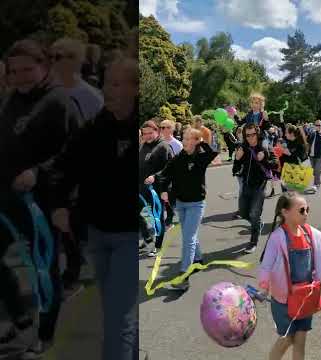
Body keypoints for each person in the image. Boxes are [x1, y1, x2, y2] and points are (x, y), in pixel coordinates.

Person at [49, 58, 139, 360]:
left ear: (135, 88)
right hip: (97, 234)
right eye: (105, 83)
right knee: (115, 311)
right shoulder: (96, 126)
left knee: (118, 318)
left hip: (129, 236)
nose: (107, 90)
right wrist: (60, 204)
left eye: (115, 84)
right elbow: (64, 166)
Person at [0, 39, 82, 358]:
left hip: (47, 202)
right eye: (14, 71)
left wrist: (38, 172)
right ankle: (19, 317)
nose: (20, 77)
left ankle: (44, 335)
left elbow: (76, 153)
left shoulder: (59, 102)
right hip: (8, 199)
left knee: (45, 269)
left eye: (27, 70)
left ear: (44, 67)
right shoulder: (9, 102)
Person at [258, 192, 321, 360]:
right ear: (285, 212)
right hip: (285, 301)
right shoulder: (277, 238)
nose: (306, 214)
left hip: (306, 298)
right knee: (287, 339)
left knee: (301, 340)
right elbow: (266, 266)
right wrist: (264, 288)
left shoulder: (312, 234)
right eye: (301, 210)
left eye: (307, 209)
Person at [156, 128, 218, 290]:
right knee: (189, 234)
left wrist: (203, 142)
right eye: (185, 138)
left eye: (190, 138)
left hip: (196, 203)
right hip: (180, 203)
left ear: (196, 141)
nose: (185, 141)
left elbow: (214, 153)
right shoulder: (178, 158)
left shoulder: (201, 158)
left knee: (188, 238)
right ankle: (198, 259)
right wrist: (163, 190)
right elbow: (164, 175)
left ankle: (184, 276)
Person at [233, 123, 278, 253]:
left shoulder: (265, 147)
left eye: (253, 134)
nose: (251, 137)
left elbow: (275, 165)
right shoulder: (243, 148)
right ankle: (257, 224)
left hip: (260, 186)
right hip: (246, 185)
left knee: (254, 213)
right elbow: (235, 169)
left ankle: (253, 242)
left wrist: (264, 159)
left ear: (257, 133)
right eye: (248, 135)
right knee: (243, 212)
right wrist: (237, 159)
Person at [50, 38, 104, 125]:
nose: (51, 61)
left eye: (57, 57)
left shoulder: (94, 99)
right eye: (49, 56)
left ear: (75, 61)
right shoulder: (41, 90)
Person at [140, 120, 174, 257]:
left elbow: (170, 168)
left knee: (157, 218)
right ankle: (148, 238)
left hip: (158, 189)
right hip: (142, 189)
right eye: (144, 133)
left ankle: (157, 246)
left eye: (150, 133)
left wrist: (155, 176)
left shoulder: (163, 147)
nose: (147, 136)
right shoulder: (143, 146)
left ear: (157, 132)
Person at [279, 125, 309, 193]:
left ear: (292, 134)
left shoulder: (299, 144)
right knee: (285, 195)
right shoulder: (287, 141)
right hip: (284, 173)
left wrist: (290, 154)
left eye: (286, 133)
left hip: (294, 174)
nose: (285, 134)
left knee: (292, 197)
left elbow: (301, 159)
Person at [307, 121, 321, 192]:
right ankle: (318, 182)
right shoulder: (313, 133)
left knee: (317, 170)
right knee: (314, 171)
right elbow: (308, 140)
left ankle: (315, 185)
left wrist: (319, 133)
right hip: (312, 155)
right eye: (316, 125)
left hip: (320, 156)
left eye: (319, 125)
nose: (317, 126)